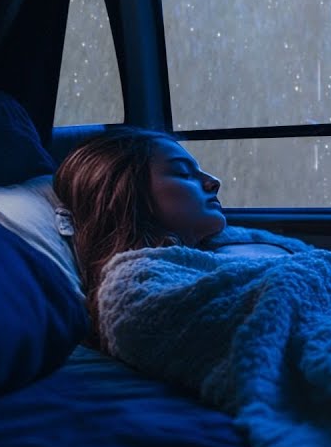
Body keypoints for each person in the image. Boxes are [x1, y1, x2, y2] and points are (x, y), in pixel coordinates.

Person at [53, 127, 297, 346]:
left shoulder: (225, 243)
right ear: (127, 193)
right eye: (183, 173)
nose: (213, 182)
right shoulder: (138, 291)